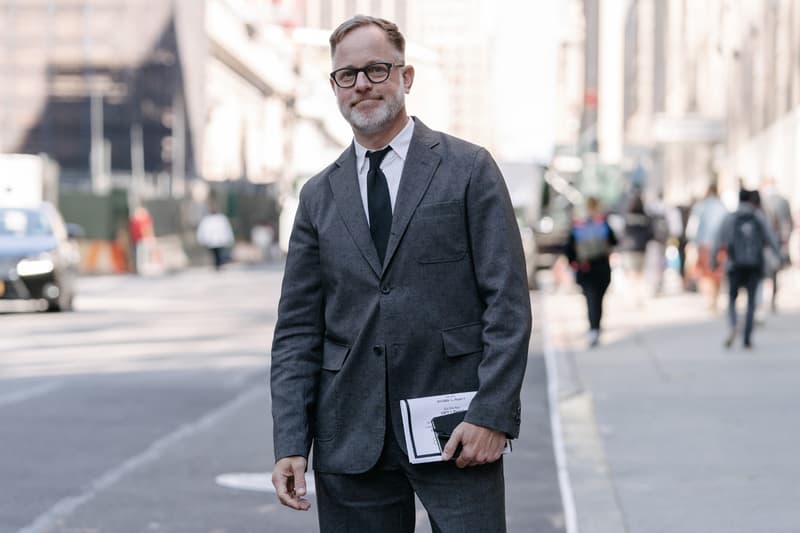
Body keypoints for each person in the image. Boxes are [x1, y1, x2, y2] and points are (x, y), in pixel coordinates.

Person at [270, 15, 531, 533]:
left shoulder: (469, 168)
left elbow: (508, 302)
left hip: (458, 431)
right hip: (350, 434)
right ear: (334, 88)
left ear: (406, 77)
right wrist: (290, 443)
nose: (362, 84)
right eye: (348, 75)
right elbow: (298, 331)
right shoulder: (318, 196)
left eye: (376, 69)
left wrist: (491, 414)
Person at [712, 189, 779, 349]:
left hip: (734, 265)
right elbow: (770, 238)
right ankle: (747, 336)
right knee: (750, 303)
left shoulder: (730, 217)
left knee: (732, 299)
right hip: (754, 265)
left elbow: (718, 239)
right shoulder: (758, 217)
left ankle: (733, 325)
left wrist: (713, 260)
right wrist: (779, 256)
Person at [565, 196, 617, 347]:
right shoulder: (603, 223)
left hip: (585, 268)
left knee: (590, 299)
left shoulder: (579, 225)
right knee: (599, 299)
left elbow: (568, 248)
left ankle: (593, 328)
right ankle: (596, 327)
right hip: (602, 267)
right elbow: (614, 241)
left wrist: (573, 263)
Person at [685, 184, 728, 310]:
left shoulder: (700, 207)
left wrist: (691, 242)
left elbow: (692, 227)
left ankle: (709, 299)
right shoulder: (722, 207)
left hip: (704, 244)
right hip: (720, 244)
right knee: (717, 272)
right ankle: (715, 299)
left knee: (706, 273)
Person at [760, 177, 794, 311]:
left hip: (765, 241)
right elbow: (788, 222)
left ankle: (762, 299)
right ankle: (772, 298)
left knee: (764, 269)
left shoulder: (763, 200)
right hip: (778, 240)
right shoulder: (783, 201)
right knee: (774, 270)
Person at [196, 203, 234, 270]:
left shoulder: (221, 218)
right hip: (211, 241)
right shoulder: (206, 219)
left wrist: (229, 238)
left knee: (220, 253)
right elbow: (202, 230)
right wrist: (202, 239)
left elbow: (226, 228)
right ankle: (217, 264)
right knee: (214, 253)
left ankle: (219, 264)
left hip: (220, 240)